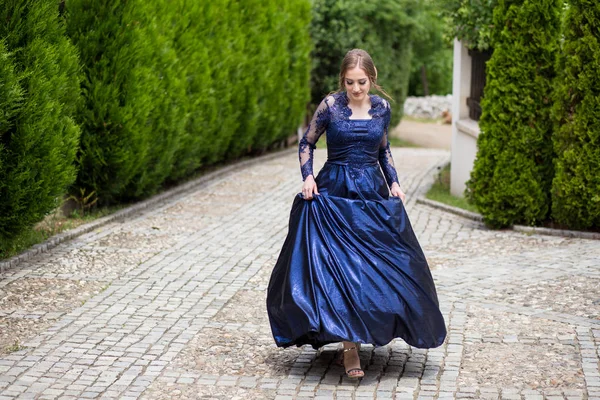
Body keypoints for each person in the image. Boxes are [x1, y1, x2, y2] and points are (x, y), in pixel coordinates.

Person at [266, 49, 446, 379]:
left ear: (372, 80)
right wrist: (308, 176)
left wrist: (394, 182)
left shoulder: (382, 108)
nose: (356, 89)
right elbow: (307, 143)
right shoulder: (331, 106)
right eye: (350, 82)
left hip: (372, 195)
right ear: (343, 81)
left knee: (380, 266)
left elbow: (384, 148)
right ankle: (350, 350)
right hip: (335, 194)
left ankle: (371, 327)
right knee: (340, 269)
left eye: (362, 82)